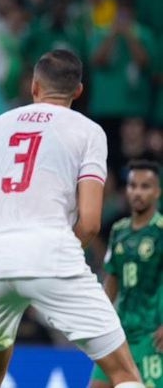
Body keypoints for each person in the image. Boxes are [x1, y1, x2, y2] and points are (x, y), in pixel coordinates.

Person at [0, 49, 145, 388]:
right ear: (78, 91)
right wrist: (58, 256)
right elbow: (91, 222)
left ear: (34, 87)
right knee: (123, 373)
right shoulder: (88, 131)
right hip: (54, 253)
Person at [90, 160, 163, 388]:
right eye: (133, 186)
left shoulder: (161, 231)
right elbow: (112, 282)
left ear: (157, 191)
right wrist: (99, 320)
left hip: (153, 335)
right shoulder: (119, 231)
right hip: (120, 334)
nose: (138, 192)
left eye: (145, 186)